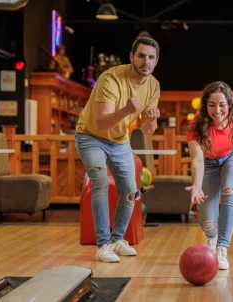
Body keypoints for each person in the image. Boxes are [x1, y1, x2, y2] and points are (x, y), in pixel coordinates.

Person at [75, 36, 161, 263]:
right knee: (100, 184)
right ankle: (102, 245)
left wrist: (152, 119)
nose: (146, 61)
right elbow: (102, 123)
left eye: (151, 57)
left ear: (156, 61)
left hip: (120, 141)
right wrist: (126, 110)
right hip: (91, 136)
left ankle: (117, 240)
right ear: (131, 57)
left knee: (131, 192)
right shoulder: (110, 78)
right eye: (141, 55)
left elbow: (147, 129)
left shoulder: (153, 85)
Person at [186, 81, 233, 270]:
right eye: (212, 105)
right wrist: (196, 185)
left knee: (229, 192)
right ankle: (212, 237)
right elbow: (197, 159)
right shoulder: (196, 126)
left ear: (229, 103)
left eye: (222, 104)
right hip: (208, 163)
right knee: (207, 222)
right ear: (205, 106)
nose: (217, 110)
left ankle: (222, 247)